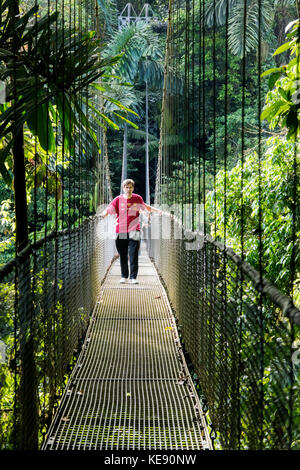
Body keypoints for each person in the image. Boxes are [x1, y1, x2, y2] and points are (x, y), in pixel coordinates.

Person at [101, 179, 161, 284]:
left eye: (130, 187)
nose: (128, 189)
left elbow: (146, 207)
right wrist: (103, 214)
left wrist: (158, 211)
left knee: (133, 254)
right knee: (123, 254)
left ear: (133, 188)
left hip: (134, 229)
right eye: (126, 187)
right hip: (121, 230)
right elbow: (109, 209)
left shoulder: (137, 198)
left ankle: (133, 277)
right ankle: (124, 276)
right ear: (123, 188)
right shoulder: (118, 199)